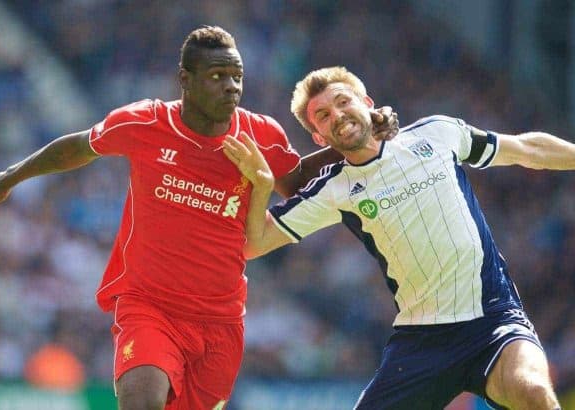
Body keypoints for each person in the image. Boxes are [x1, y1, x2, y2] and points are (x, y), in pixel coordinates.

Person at [0, 29, 398, 409]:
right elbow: (79, 146)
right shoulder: (145, 122)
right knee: (142, 400)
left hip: (220, 321)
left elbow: (299, 182)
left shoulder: (261, 134)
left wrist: (359, 134)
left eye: (237, 77)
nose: (231, 87)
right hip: (150, 306)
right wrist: (11, 177)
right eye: (217, 76)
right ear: (186, 80)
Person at [223, 66, 575, 410]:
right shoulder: (333, 189)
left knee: (533, 394)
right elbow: (255, 243)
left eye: (343, 102)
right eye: (324, 116)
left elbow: (528, 149)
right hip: (422, 344)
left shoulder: (436, 133)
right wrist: (263, 187)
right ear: (319, 138)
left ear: (367, 101)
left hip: (494, 320)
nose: (338, 116)